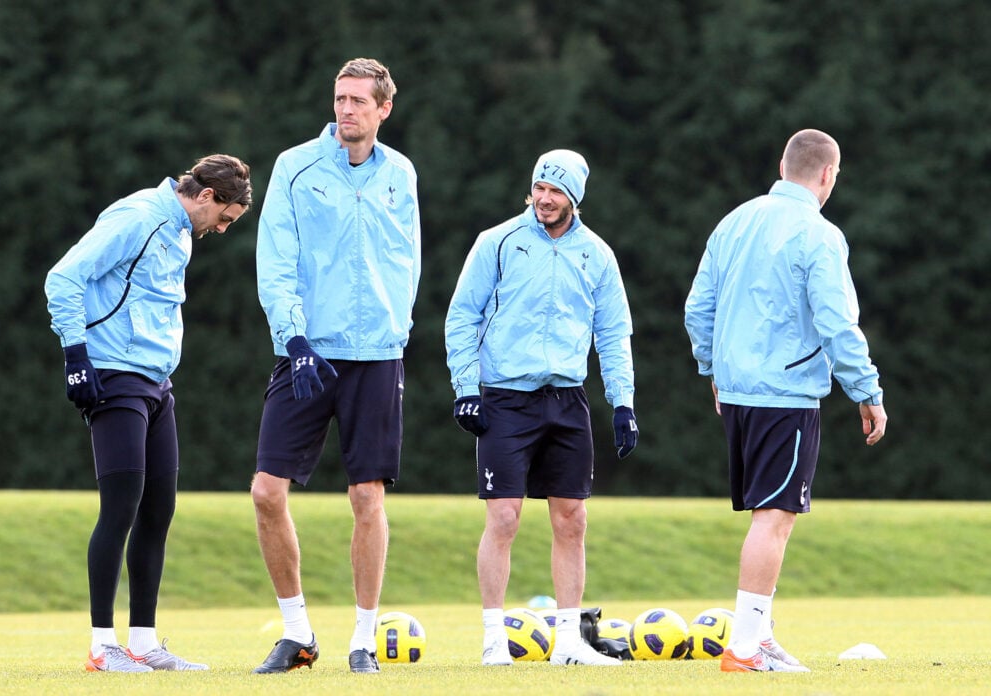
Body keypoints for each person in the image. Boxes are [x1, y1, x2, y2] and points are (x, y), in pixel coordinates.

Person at [684, 128, 888, 673]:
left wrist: (713, 369)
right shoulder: (820, 235)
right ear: (828, 175)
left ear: (782, 163)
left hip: (738, 393)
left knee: (766, 514)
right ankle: (747, 648)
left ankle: (761, 637)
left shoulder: (733, 221)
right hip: (787, 395)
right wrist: (866, 391)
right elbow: (838, 324)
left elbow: (696, 308)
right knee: (775, 517)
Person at [45, 154, 253, 672]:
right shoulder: (139, 217)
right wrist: (75, 357)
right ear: (206, 196)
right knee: (120, 507)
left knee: (158, 511)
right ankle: (102, 645)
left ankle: (143, 642)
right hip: (114, 377)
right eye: (225, 217)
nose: (222, 229)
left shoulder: (182, 231)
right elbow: (64, 277)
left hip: (157, 385)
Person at [250, 57, 421, 676]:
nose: (345, 109)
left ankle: (363, 640)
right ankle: (297, 633)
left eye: (357, 100)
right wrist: (293, 339)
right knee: (267, 491)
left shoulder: (401, 173)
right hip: (307, 351)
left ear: (383, 109)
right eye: (339, 97)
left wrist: (396, 330)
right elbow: (276, 260)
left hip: (377, 354)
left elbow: (408, 261)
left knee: (365, 495)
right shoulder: (294, 168)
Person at [445, 149, 638, 667]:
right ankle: (492, 640)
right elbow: (462, 316)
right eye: (539, 188)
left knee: (571, 518)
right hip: (505, 397)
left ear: (574, 195)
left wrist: (623, 403)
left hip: (567, 399)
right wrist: (466, 388)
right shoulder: (499, 242)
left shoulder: (597, 254)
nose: (545, 199)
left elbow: (614, 333)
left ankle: (570, 643)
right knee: (504, 517)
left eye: (556, 191)